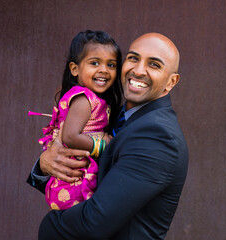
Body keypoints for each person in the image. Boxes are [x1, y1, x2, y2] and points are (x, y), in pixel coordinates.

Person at [27, 32, 189, 240]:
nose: (138, 70)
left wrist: (49, 225)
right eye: (133, 58)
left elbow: (94, 221)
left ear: (171, 82)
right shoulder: (115, 117)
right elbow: (85, 183)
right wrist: (44, 165)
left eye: (154, 65)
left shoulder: (158, 137)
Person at [32, 30, 122, 210]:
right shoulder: (83, 99)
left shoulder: (99, 102)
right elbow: (70, 137)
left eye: (111, 64)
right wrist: (104, 144)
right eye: (95, 63)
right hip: (74, 180)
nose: (104, 69)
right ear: (74, 69)